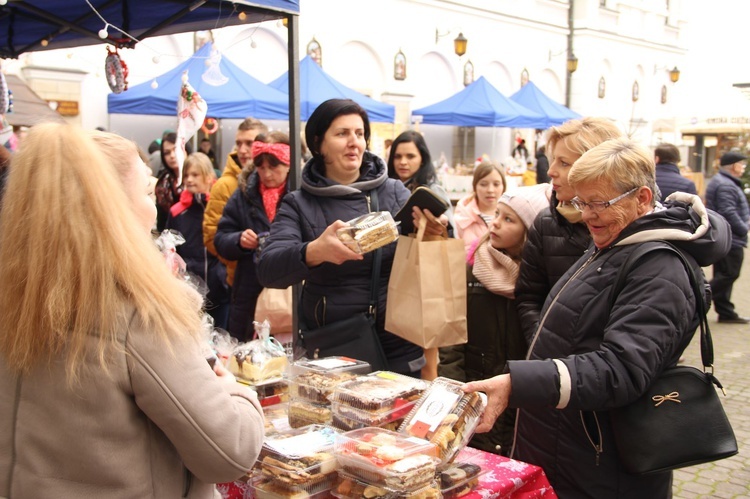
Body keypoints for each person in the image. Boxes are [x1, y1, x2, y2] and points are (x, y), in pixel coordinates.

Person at [0, 124, 264, 498]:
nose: (154, 205)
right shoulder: (137, 313)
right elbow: (230, 452)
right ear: (110, 208)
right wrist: (234, 392)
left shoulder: (15, 293)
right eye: (145, 191)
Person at [463, 137, 731, 498]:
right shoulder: (615, 244)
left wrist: (518, 384)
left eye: (598, 203)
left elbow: (622, 368)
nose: (587, 215)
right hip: (569, 445)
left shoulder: (658, 266)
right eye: (581, 202)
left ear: (642, 199)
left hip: (599, 461)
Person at [257, 98, 442, 376]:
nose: (354, 141)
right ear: (319, 144)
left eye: (359, 133)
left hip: (400, 341)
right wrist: (313, 252)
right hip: (336, 345)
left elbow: (423, 256)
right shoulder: (300, 203)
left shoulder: (394, 192)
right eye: (342, 133)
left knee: (399, 419)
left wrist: (435, 231)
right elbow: (268, 270)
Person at [439, 183, 550, 456]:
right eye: (497, 214)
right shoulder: (473, 271)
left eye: (508, 219)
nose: (495, 224)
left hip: (524, 402)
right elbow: (451, 340)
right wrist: (457, 394)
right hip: (475, 395)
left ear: (531, 229)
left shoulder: (542, 281)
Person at [515, 117, 623, 342]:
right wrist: (544, 345)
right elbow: (529, 299)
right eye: (553, 160)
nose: (551, 171)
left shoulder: (635, 225)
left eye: (564, 163)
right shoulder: (546, 223)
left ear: (598, 168)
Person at [215, 132, 291, 341]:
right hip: (249, 292)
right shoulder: (243, 194)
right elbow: (220, 239)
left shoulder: (301, 195)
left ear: (288, 164)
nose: (266, 174)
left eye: (273, 166)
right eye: (261, 167)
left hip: (291, 293)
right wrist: (238, 240)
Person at [204, 118, 268, 295]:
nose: (242, 150)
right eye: (239, 143)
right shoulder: (225, 185)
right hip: (240, 280)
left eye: (249, 143)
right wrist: (241, 252)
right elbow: (211, 237)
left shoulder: (275, 180)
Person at [167, 152, 230, 329]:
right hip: (189, 291)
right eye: (186, 175)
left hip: (220, 289)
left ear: (209, 177)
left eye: (195, 174)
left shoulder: (221, 207)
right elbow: (170, 251)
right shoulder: (177, 212)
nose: (189, 180)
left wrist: (223, 275)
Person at [705, 151, 750, 323]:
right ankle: (698, 299)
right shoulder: (726, 185)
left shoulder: (725, 182)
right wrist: (743, 228)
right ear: (733, 166)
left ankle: (725, 312)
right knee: (728, 274)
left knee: (724, 273)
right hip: (732, 237)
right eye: (742, 164)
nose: (743, 167)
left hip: (725, 235)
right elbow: (728, 211)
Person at [387, 130, 455, 233]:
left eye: (410, 156)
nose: (403, 162)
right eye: (397, 156)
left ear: (422, 159)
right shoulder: (387, 189)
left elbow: (451, 232)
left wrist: (438, 228)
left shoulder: (431, 191)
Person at [454, 161, 506, 253]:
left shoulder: (512, 217)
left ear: (503, 187)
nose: (490, 190)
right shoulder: (462, 216)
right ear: (475, 187)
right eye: (483, 184)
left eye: (496, 184)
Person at [154, 132, 184, 232]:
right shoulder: (163, 183)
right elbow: (161, 223)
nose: (172, 156)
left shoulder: (200, 176)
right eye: (167, 153)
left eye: (176, 150)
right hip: (171, 241)